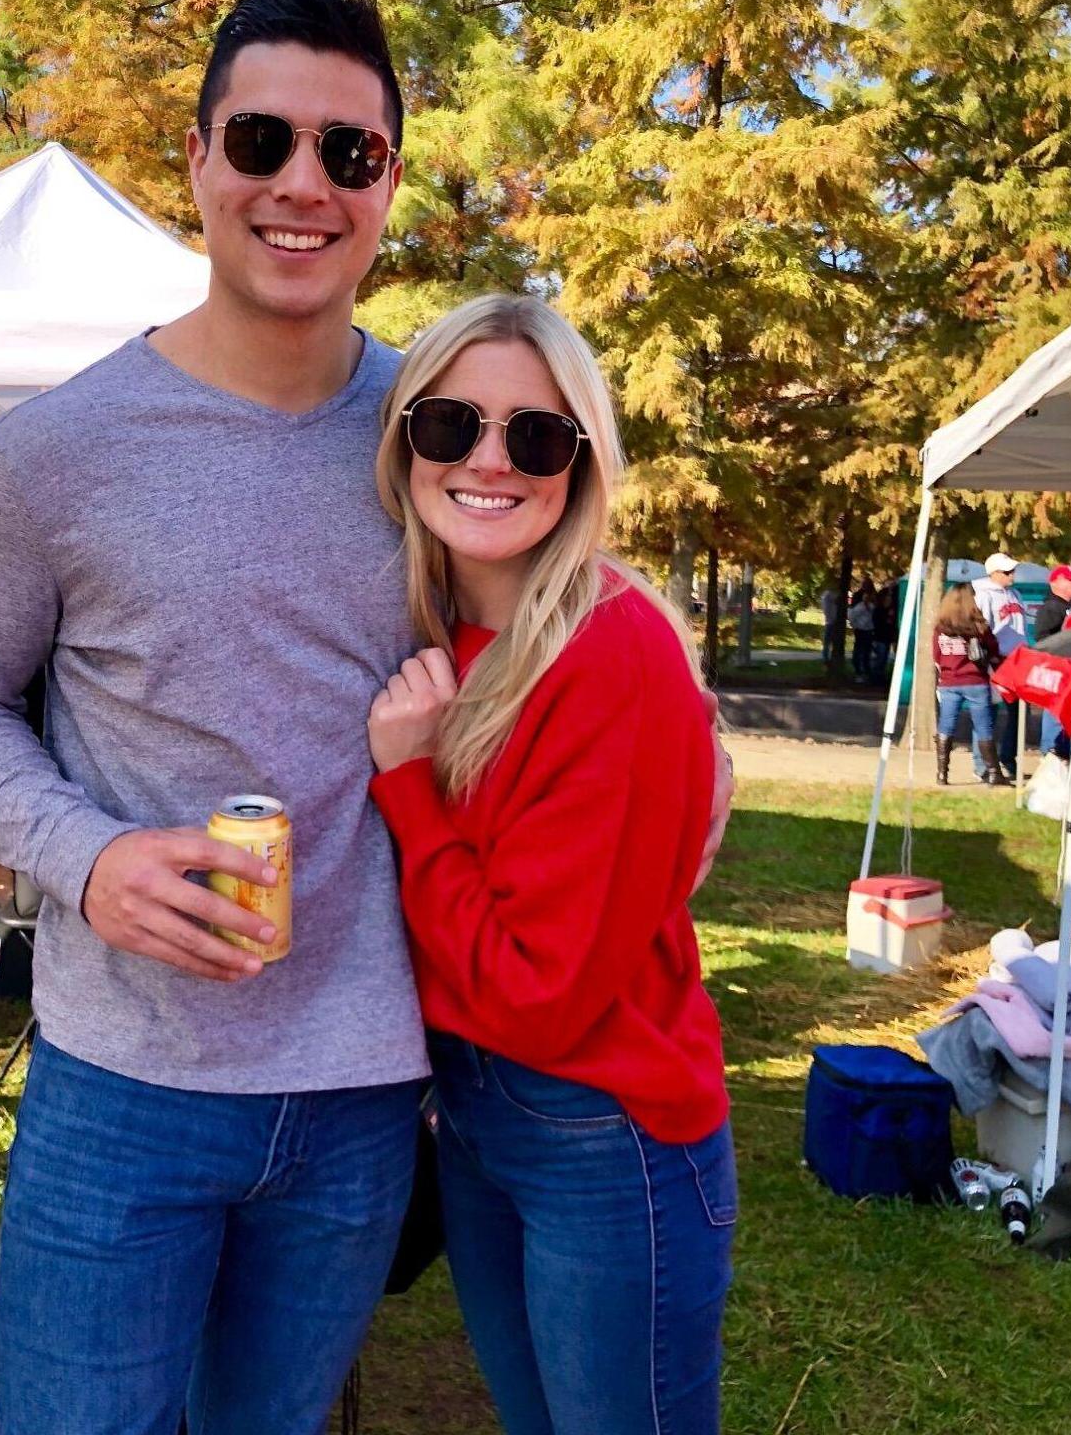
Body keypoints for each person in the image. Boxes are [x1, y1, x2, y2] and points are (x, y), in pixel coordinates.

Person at [0, 0, 734, 1434]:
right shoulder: (56, 450)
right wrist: (85, 857)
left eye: (348, 152)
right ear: (198, 159)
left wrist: (684, 756)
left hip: (369, 1088)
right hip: (126, 1078)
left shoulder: (442, 433)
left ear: (388, 180)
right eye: (262, 140)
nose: (303, 184)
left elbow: (573, 614)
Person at [364, 295, 732, 1433]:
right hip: (478, 1109)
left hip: (602, 1127)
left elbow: (541, 989)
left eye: (535, 436)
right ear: (404, 443)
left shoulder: (607, 650)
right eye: (450, 424)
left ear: (581, 463)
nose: (489, 461)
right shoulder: (435, 631)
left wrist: (410, 787)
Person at [932, 583, 1004, 786]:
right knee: (983, 727)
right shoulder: (978, 626)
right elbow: (993, 648)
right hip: (975, 680)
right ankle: (993, 773)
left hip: (948, 682)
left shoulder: (940, 627)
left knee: (946, 726)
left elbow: (936, 655)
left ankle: (942, 774)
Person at [971, 553, 1027, 781]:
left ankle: (1008, 759)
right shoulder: (983, 595)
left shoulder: (1015, 594)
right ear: (993, 573)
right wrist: (989, 658)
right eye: (1007, 572)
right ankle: (982, 765)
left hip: (1017, 660)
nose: (1011, 575)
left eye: (1012, 570)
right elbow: (981, 630)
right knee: (988, 713)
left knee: (1018, 713)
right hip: (995, 661)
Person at [1034, 565, 1071, 757]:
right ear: (1056, 583)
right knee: (1055, 712)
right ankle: (1050, 754)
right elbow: (1042, 639)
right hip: (1058, 668)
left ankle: (1061, 752)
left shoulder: (1069, 606)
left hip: (1070, 669)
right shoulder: (1050, 608)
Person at [848, 583, 875, 683]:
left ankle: (866, 672)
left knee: (866, 652)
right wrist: (855, 626)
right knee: (859, 651)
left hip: (868, 631)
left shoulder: (871, 607)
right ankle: (859, 672)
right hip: (861, 631)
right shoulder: (860, 607)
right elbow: (851, 616)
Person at [872, 582, 897, 685]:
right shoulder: (879, 610)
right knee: (880, 658)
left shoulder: (889, 610)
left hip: (886, 637)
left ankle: (880, 676)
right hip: (880, 637)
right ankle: (876, 677)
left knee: (883, 658)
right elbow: (878, 624)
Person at [820, 580, 842, 663]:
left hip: (831, 621)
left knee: (830, 641)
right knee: (828, 641)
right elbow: (827, 610)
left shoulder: (828, 595)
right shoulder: (828, 595)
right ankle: (826, 658)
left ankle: (827, 658)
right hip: (831, 621)